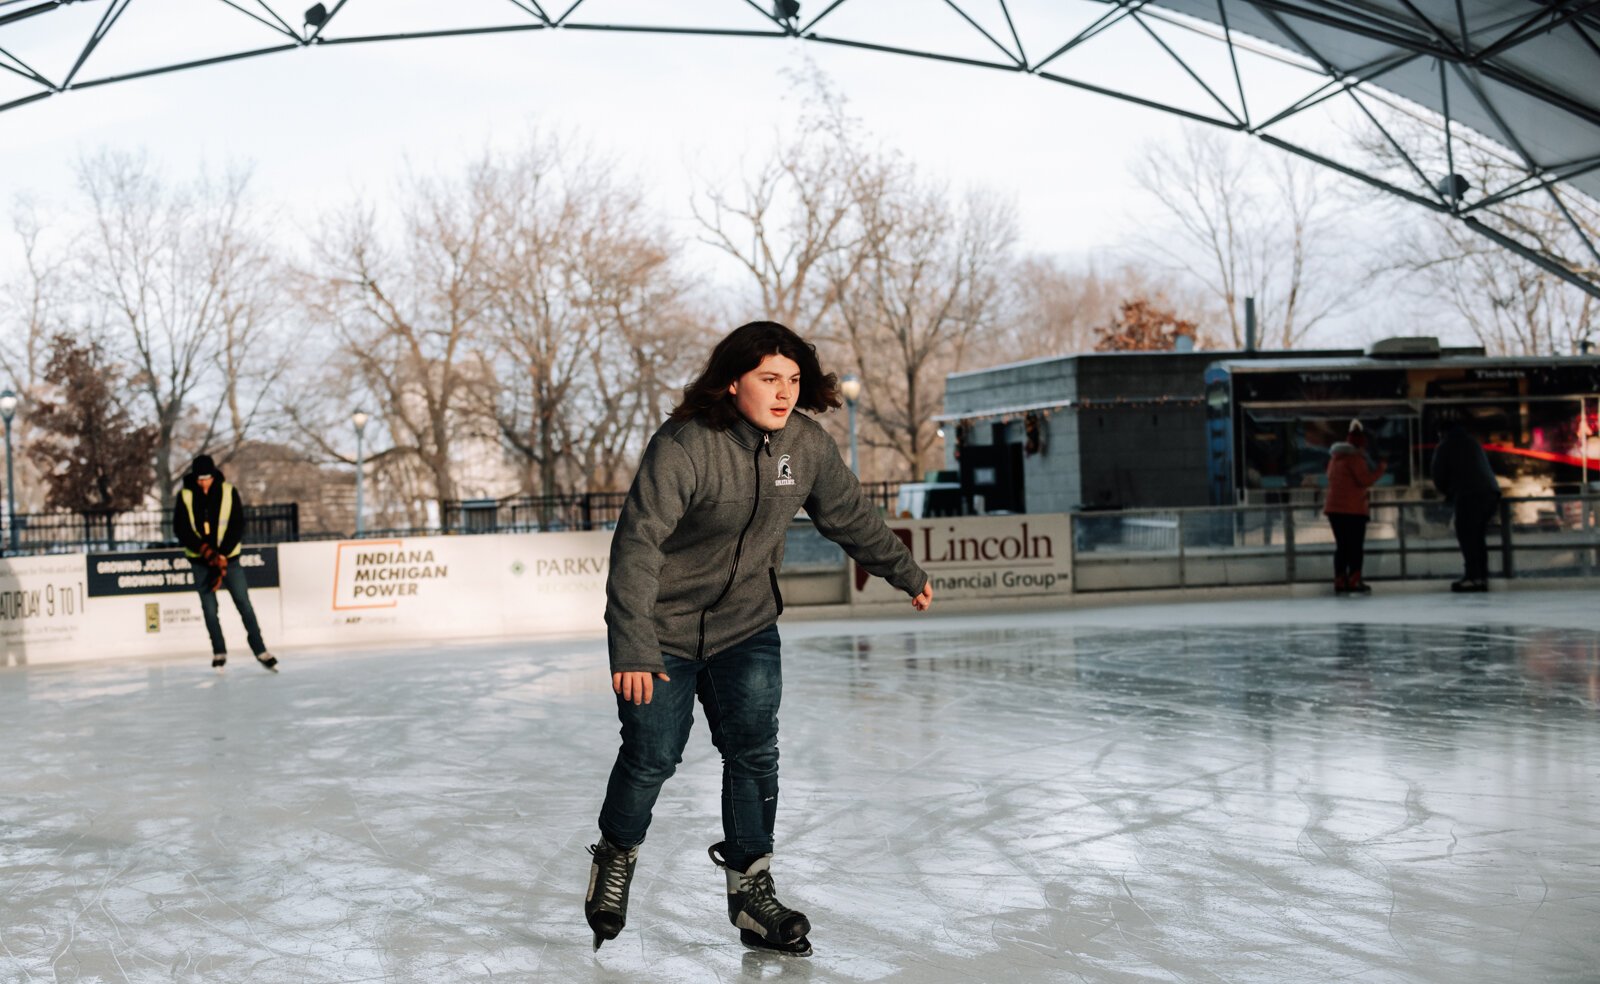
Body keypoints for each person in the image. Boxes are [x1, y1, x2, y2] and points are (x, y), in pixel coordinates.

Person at [584, 321, 932, 957]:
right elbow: (638, 543)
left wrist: (903, 571)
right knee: (653, 755)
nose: (783, 393)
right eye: (769, 378)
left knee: (752, 753)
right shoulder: (685, 445)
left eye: (793, 380)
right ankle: (615, 855)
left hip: (745, 627)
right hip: (661, 631)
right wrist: (632, 643)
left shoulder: (806, 444)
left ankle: (751, 892)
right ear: (733, 381)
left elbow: (850, 515)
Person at [172, 454, 278, 672]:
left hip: (229, 561)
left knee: (244, 604)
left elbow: (236, 525)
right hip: (201, 562)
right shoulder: (185, 495)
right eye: (200, 479)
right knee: (210, 609)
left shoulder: (228, 492)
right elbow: (182, 529)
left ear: (213, 476)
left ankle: (260, 650)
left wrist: (221, 555)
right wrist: (207, 553)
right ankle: (219, 651)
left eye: (207, 478)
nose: (203, 483)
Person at [1431, 424, 1501, 592]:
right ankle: (1481, 577)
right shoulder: (1473, 443)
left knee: (1467, 536)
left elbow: (1438, 474)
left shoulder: (1445, 446)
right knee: (1478, 537)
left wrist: (1448, 493)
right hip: (1490, 494)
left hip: (1469, 494)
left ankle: (1472, 577)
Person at [1323, 420, 1386, 594]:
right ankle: (1354, 579)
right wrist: (1381, 469)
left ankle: (1340, 579)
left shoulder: (1335, 458)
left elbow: (1329, 477)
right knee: (1355, 546)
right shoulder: (1355, 458)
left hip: (1334, 509)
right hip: (1353, 510)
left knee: (1342, 546)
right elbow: (1364, 480)